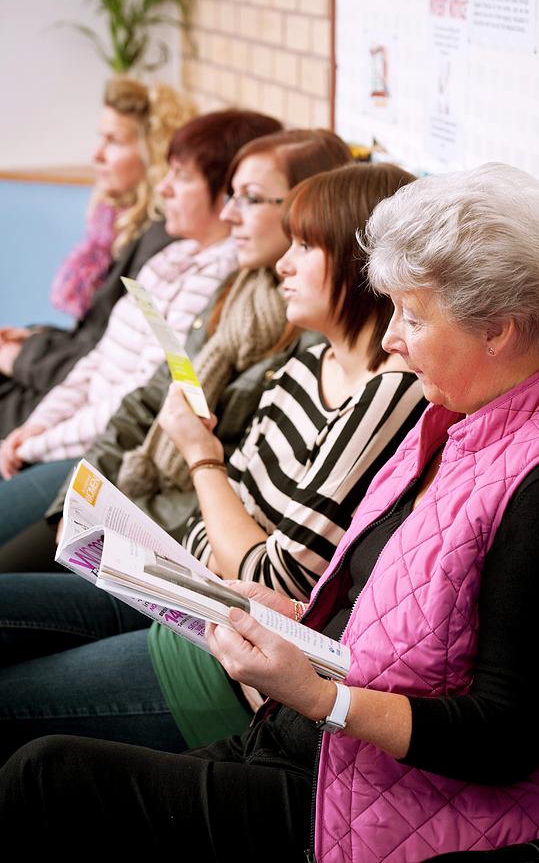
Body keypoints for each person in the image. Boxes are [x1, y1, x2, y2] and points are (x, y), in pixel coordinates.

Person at [1, 163, 539, 859]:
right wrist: (300, 618)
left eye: (411, 316)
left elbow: (506, 736)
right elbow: (397, 616)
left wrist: (318, 697)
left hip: (373, 796)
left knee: (44, 777)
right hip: (318, 751)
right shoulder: (459, 418)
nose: (392, 340)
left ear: (497, 328)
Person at [0, 161, 426, 763]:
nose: (283, 262)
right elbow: (222, 534)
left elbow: (274, 578)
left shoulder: (392, 392)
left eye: (305, 246)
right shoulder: (304, 365)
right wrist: (221, 523)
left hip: (231, 657)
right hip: (192, 598)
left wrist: (204, 460)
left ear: (363, 264)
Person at [0, 128, 350, 568]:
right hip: (131, 495)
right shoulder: (236, 289)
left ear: (308, 209)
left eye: (251, 198)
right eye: (231, 195)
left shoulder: (312, 336)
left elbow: (231, 491)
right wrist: (75, 507)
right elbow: (146, 397)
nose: (230, 214)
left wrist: (119, 520)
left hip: (168, 543)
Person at [0, 76, 196, 439]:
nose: (97, 154)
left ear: (153, 153)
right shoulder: (118, 223)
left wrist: (20, 357)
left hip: (76, 413)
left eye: (114, 141)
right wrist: (34, 338)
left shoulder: (161, 245)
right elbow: (94, 337)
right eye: (100, 138)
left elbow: (112, 370)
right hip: (57, 387)